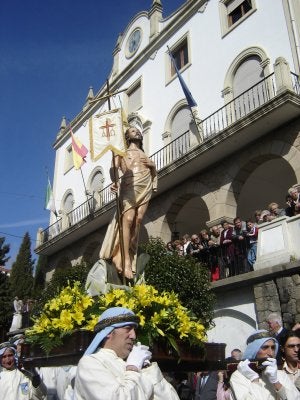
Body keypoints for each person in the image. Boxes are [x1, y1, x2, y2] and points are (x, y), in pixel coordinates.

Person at [74, 306, 179, 399]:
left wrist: (148, 369)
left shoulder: (136, 362)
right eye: (127, 328)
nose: (133, 336)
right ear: (108, 332)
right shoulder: (90, 363)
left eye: (134, 331)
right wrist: (133, 369)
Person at [100, 127, 157, 280]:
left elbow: (153, 175)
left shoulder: (144, 154)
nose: (136, 132)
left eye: (138, 130)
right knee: (128, 219)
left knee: (138, 220)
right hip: (128, 185)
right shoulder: (120, 152)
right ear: (126, 136)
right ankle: (125, 262)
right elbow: (114, 172)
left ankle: (129, 253)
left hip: (144, 185)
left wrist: (153, 167)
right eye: (132, 130)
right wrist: (114, 175)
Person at [230, 329, 300, 399]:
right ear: (254, 350)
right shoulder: (238, 377)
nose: (271, 353)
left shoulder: (280, 375)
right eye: (265, 347)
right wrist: (254, 380)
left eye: (273, 348)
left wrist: (276, 382)